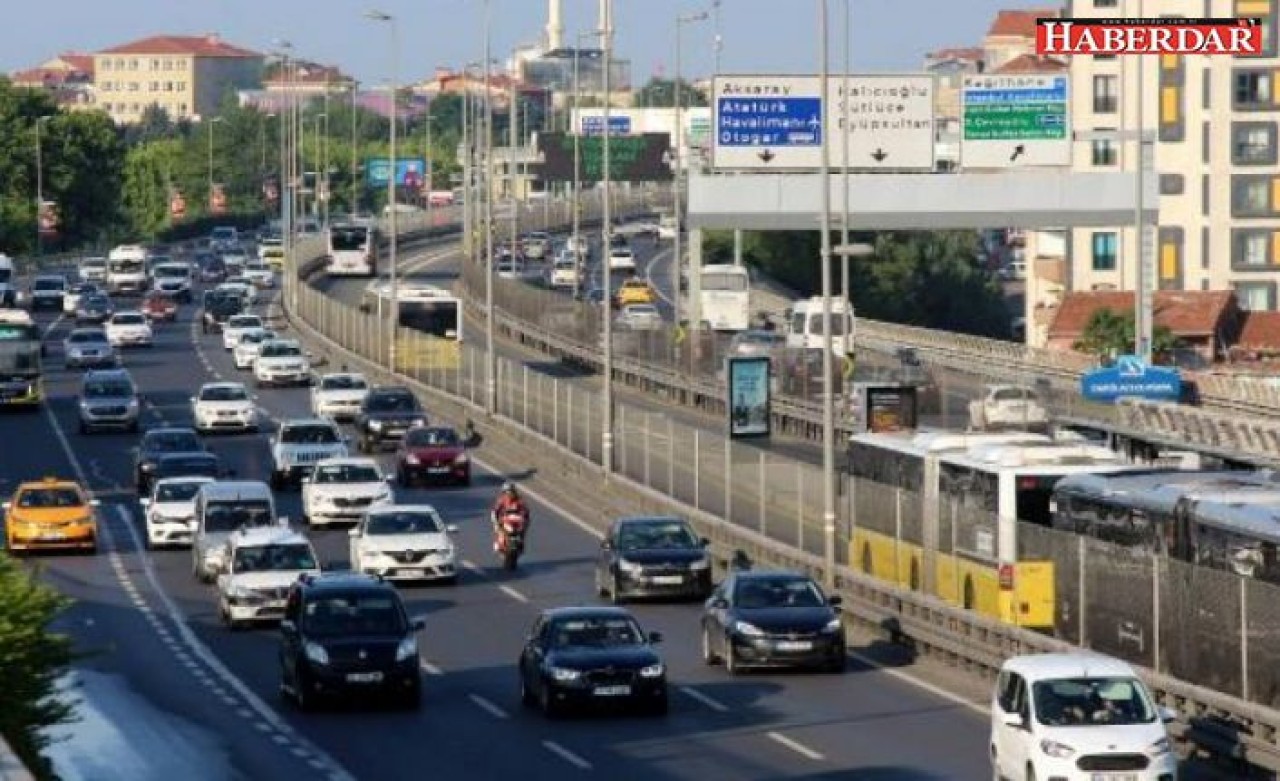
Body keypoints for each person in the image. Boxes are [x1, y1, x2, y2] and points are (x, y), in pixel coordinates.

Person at [491, 482, 528, 551]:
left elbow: (525, 511)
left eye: (511, 491)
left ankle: (520, 541)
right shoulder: (502, 500)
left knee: (523, 527)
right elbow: (496, 510)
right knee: (498, 527)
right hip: (505, 519)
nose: (509, 493)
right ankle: (499, 543)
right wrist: (495, 518)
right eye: (507, 491)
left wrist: (524, 517)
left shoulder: (519, 500)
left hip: (516, 521)